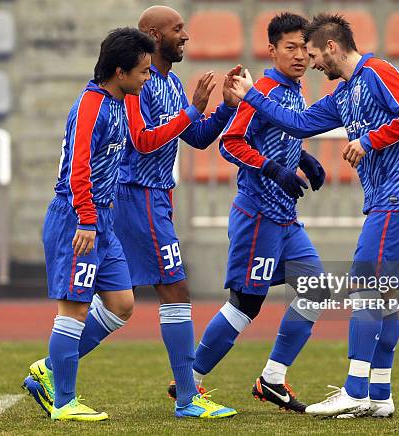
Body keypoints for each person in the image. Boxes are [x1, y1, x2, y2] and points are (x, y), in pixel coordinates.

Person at [229, 13, 399, 418]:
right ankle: (379, 395)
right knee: (384, 296)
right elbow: (300, 123)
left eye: (315, 53)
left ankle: (354, 389)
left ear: (333, 47)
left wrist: (369, 140)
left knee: (363, 284)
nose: (312, 62)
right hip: (385, 201)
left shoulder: (376, 71)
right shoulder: (344, 94)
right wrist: (253, 95)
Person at [188, 12, 328, 414]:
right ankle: (190, 381)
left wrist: (302, 158)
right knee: (246, 304)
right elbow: (231, 143)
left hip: (285, 217)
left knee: (316, 289)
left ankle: (271, 379)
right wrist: (272, 169)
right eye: (291, 47)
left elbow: (274, 135)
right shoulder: (263, 89)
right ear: (272, 50)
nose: (300, 54)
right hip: (258, 215)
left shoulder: (295, 90)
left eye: (305, 47)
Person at [21, 27, 155, 422]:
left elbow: (143, 142)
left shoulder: (119, 103)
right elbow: (78, 167)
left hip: (103, 219)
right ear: (120, 72)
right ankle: (64, 402)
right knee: (74, 309)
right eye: (144, 72)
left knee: (121, 304)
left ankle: (48, 368)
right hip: (77, 218)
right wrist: (86, 219)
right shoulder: (92, 105)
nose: (148, 79)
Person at [113, 5, 240, 419]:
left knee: (118, 301)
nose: (185, 36)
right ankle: (187, 397)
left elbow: (197, 138)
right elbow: (143, 142)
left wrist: (222, 107)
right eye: (178, 29)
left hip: (156, 196)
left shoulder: (169, 83)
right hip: (138, 192)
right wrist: (193, 108)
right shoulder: (139, 83)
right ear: (152, 33)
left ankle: (50, 367)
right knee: (175, 290)